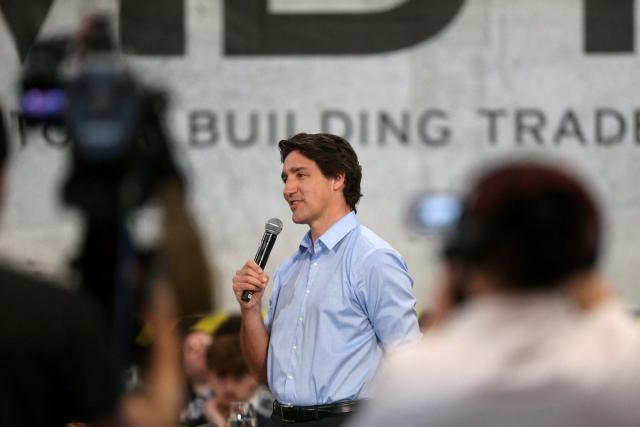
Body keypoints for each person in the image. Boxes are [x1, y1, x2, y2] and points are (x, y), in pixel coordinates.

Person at [348, 160, 640, 427]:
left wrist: (447, 300)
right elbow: (610, 315)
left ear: (468, 254)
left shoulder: (416, 378)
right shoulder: (624, 366)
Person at [232, 133, 421, 426]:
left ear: (337, 179)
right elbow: (262, 373)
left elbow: (408, 361)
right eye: (285, 178)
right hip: (280, 419)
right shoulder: (288, 269)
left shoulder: (373, 259)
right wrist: (250, 310)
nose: (288, 189)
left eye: (301, 175)